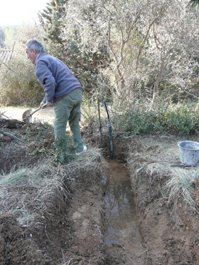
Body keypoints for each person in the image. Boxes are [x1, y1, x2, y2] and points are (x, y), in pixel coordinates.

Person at [26, 39, 87, 155]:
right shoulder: (51, 59)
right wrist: (45, 100)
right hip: (77, 92)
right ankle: (79, 149)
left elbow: (50, 82)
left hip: (65, 95)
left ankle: (61, 155)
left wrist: (49, 100)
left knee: (59, 124)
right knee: (74, 122)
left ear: (33, 51)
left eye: (27, 53)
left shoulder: (40, 63)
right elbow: (57, 80)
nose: (27, 57)